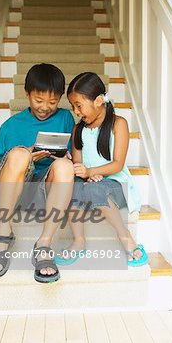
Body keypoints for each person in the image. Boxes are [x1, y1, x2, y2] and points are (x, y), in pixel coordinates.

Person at [0, 63, 75, 283]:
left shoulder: (65, 119)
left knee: (65, 167)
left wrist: (65, 157)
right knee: (20, 155)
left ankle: (44, 243)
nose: (45, 107)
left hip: (44, 191)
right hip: (12, 192)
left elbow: (72, 154)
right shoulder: (11, 125)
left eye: (52, 102)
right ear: (27, 94)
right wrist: (27, 161)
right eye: (38, 100)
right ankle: (4, 232)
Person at [54, 72, 148, 267]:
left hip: (115, 184)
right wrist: (78, 169)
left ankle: (126, 238)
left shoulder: (118, 124)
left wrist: (92, 172)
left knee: (95, 188)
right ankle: (78, 241)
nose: (76, 111)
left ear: (98, 101)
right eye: (73, 107)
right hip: (90, 183)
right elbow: (79, 165)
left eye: (79, 105)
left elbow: (118, 164)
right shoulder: (78, 129)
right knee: (71, 186)